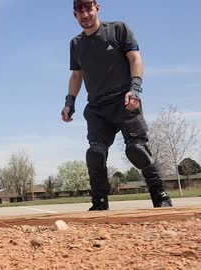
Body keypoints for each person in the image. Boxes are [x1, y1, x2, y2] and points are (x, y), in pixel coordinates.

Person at [61, 0, 172, 210]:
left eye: (88, 9)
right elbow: (76, 75)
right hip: (97, 108)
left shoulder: (118, 29)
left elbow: (135, 59)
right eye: (80, 11)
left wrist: (135, 89)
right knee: (95, 154)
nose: (85, 14)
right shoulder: (76, 44)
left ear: (97, 8)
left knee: (136, 150)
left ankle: (161, 198)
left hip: (124, 101)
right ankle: (99, 204)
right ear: (74, 15)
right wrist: (69, 102)